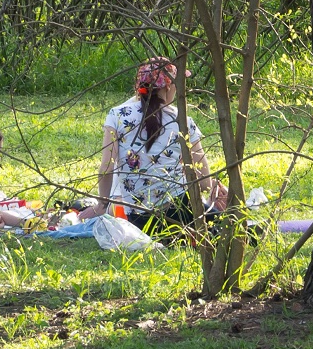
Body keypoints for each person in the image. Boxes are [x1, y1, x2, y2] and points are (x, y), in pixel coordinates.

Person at [78, 57, 224, 233]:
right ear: (168, 87)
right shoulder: (183, 121)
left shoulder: (116, 116)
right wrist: (212, 190)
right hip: (180, 211)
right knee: (237, 227)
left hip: (139, 220)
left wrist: (102, 204)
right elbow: (204, 183)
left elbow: (107, 167)